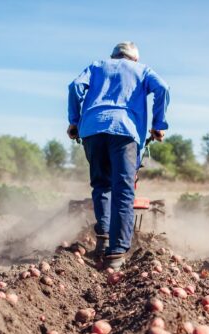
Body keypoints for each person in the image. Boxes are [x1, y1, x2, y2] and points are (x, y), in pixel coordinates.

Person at [67, 41, 170, 271]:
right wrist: (158, 124)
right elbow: (162, 88)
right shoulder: (142, 70)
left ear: (113, 57)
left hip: (92, 128)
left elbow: (75, 86)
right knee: (123, 189)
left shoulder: (97, 66)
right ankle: (116, 253)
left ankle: (103, 239)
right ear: (134, 58)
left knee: (101, 185)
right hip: (125, 130)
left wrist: (74, 121)